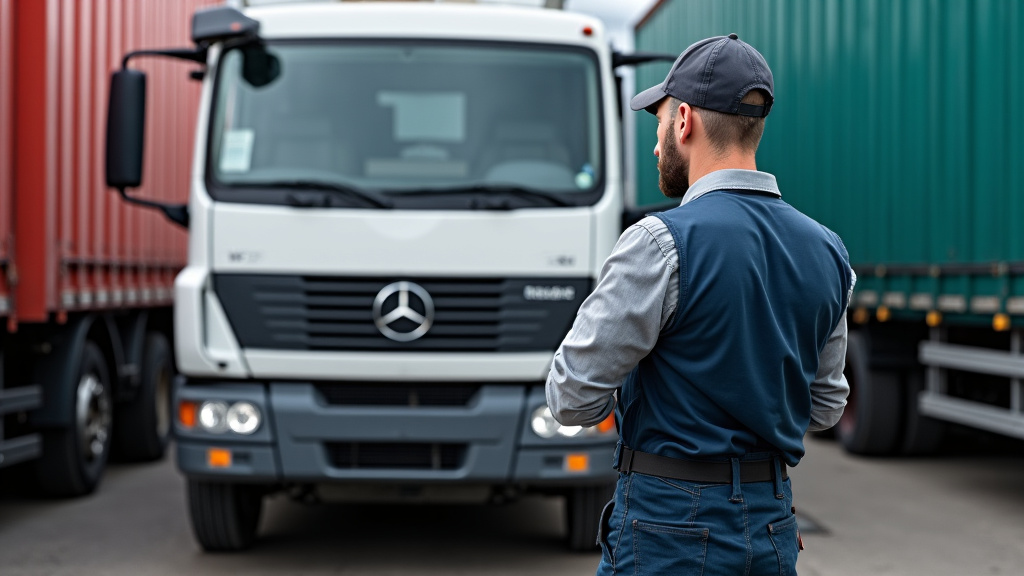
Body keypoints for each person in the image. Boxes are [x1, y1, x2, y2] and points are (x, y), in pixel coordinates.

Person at [546, 34, 855, 575]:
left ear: (684, 120)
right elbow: (826, 408)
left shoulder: (659, 243)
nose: (657, 144)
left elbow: (571, 397)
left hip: (666, 526)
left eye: (660, 122)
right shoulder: (828, 251)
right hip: (771, 523)